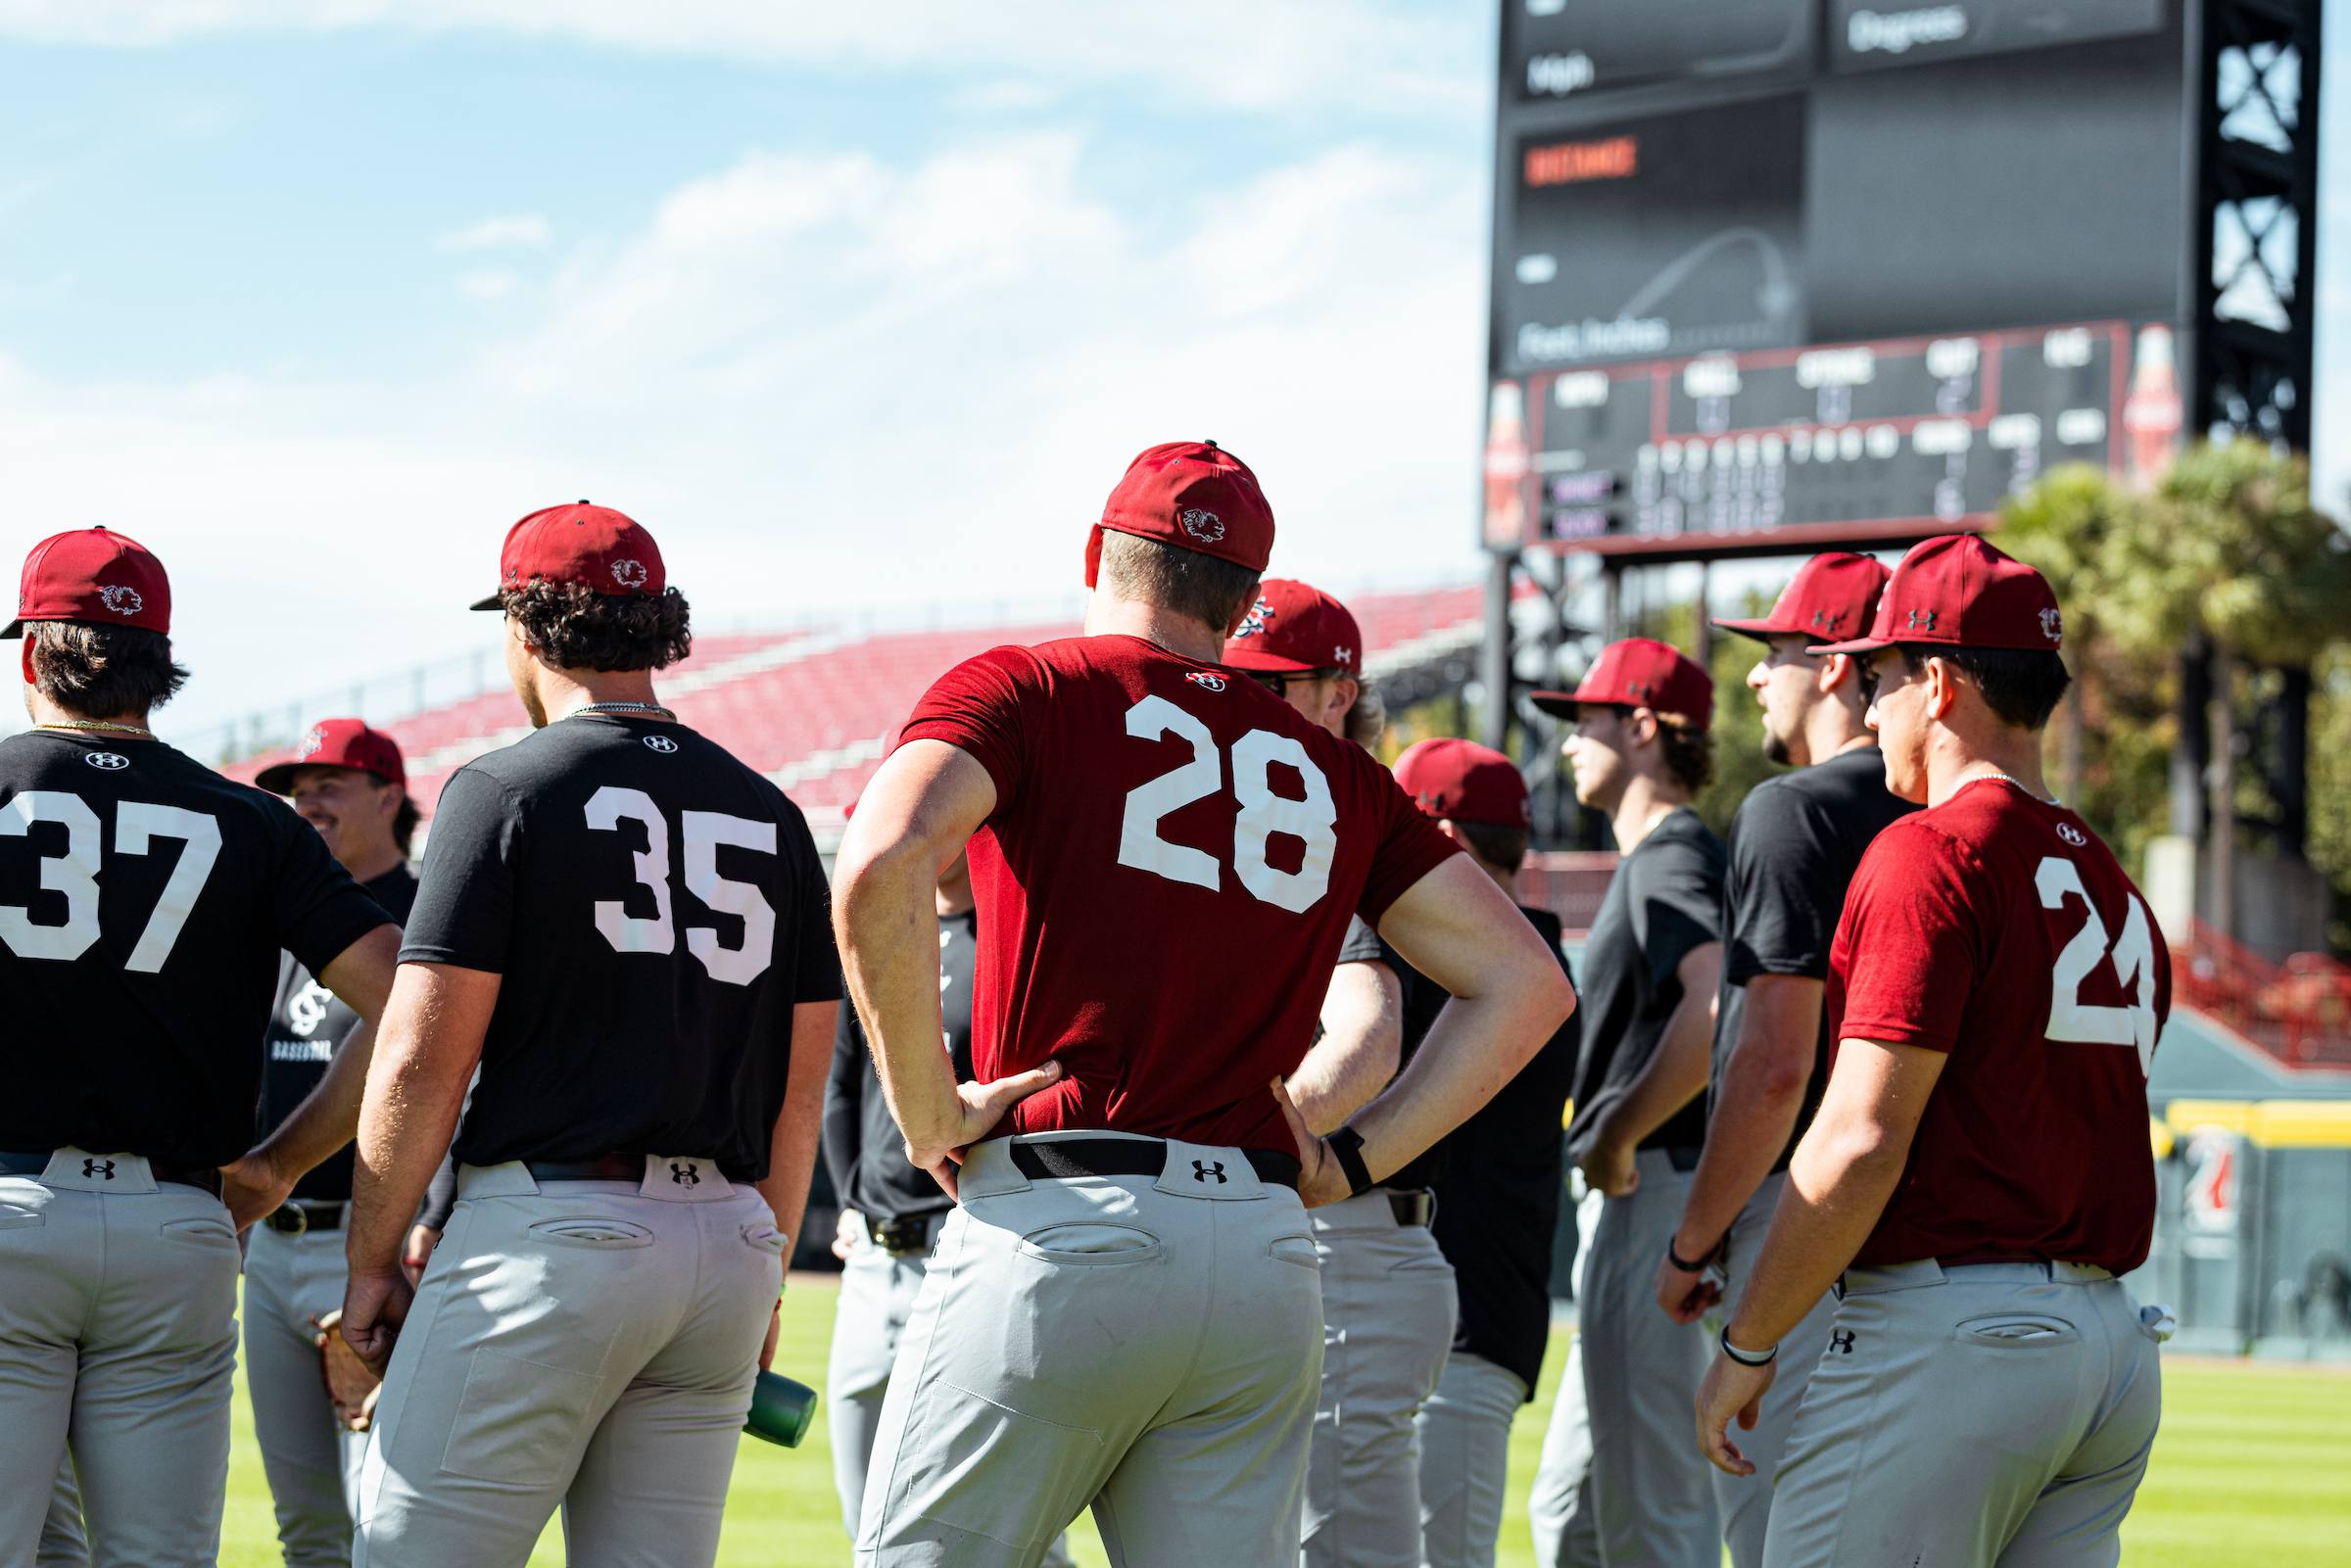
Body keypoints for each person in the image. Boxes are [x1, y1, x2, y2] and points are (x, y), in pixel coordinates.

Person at [834, 440, 1575, 1567]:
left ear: (1098, 552)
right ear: (1240, 603)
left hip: (1067, 1208)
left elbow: (880, 858)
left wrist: (927, 1111)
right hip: (1265, 1247)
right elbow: (1527, 983)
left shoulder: (1028, 685)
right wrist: (1355, 1161)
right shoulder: (1339, 773)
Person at [337, 503, 840, 1568]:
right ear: (657, 628)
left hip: (558, 1228)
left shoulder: (503, 787)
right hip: (726, 1247)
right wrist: (762, 1267)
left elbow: (424, 1061)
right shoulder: (771, 809)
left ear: (523, 627)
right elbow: (802, 1088)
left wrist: (370, 1259)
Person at [1696, 535, 2171, 1565]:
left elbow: (1862, 1136)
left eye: (1882, 678)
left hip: (1961, 1337)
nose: (1869, 711)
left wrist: (1749, 1337)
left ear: (1941, 683)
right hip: (2111, 1348)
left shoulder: (1930, 849)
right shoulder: (2111, 880)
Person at [0, 527, 401, 1567]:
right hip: (177, 1222)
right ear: (158, 663)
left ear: (33, 651)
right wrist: (277, 1165)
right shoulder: (251, 820)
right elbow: (407, 996)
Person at [1643, 553, 1910, 1568]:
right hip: (1939, 1245)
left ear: (1838, 665)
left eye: (1777, 651)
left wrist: (1690, 1243)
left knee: (1776, 1544)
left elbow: (1771, 1069)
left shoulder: (1793, 808)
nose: (1757, 675)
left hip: (1803, 1225)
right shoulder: (1965, 818)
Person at [1226, 579, 1446, 1568]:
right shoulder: (1278, 816)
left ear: (1338, 695)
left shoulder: (1332, 818)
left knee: (1340, 1546)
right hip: (1328, 1215)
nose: (1254, 705)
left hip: (1346, 1223)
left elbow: (1372, 1031)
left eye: (1279, 687)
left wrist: (1241, 1148)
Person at [1525, 638, 1724, 1568]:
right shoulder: (1659, 857)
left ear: (1642, 728)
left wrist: (1617, 1129)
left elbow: (1716, 1003)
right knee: (1573, 1512)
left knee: (1655, 1518)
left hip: (1658, 1188)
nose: (1569, 740)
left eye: (1587, 719)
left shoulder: (1671, 852)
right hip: (1647, 1193)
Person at [822, 833, 1074, 1568]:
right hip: (872, 1255)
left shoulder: (1012, 935)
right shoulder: (882, 934)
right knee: (866, 1514)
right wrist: (846, 1197)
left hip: (969, 1245)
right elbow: (843, 1083)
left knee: (1013, 1524)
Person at [1379, 739, 1580, 1568]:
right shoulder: (1531, 951)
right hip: (1477, 1313)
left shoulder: (1473, 963)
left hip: (1466, 1319)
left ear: (1446, 837)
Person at [241, 721, 424, 1568]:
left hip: (376, 1239)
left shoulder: (430, 909)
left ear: (389, 795)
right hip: (272, 1244)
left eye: (330, 783)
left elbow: (457, 1077)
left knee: (383, 1517)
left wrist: (426, 1222)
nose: (306, 801)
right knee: (305, 1525)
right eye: (296, 787)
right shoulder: (280, 916)